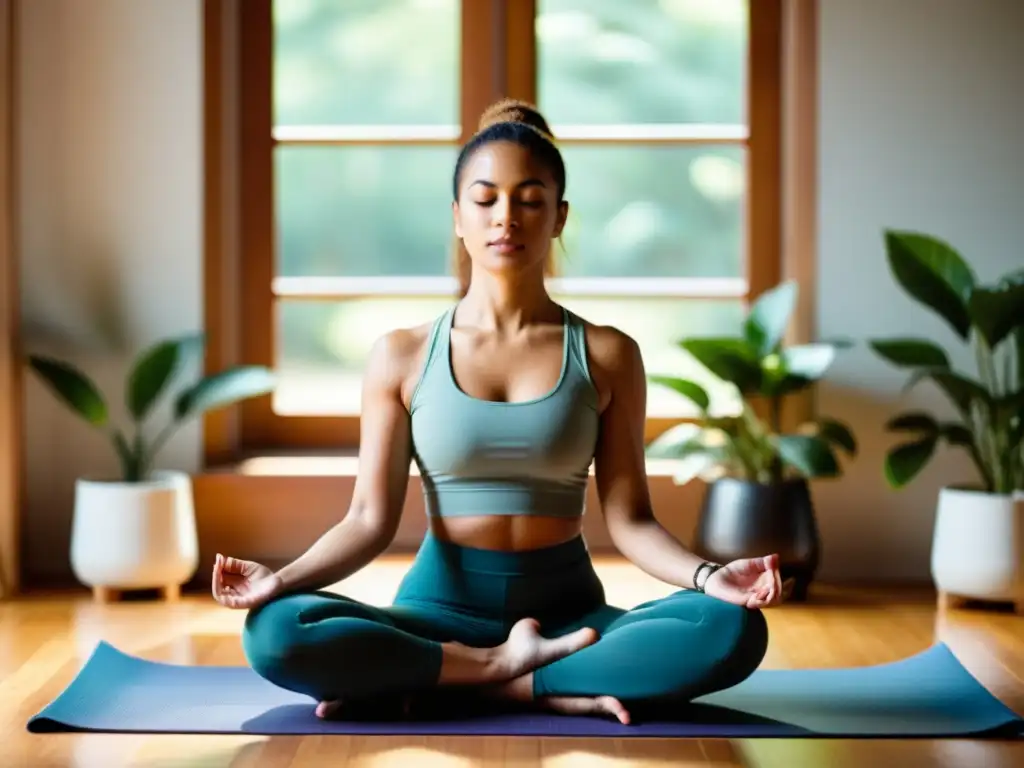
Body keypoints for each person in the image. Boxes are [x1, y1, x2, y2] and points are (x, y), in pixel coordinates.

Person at [212, 99, 783, 726]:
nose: (505, 218)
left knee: (732, 629)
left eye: (530, 199)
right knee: (277, 631)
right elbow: (368, 521)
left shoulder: (609, 354)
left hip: (571, 617)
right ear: (457, 217)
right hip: (437, 615)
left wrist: (710, 578)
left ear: (559, 217)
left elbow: (632, 521)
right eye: (485, 200)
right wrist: (279, 581)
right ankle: (502, 673)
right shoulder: (400, 355)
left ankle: (451, 682)